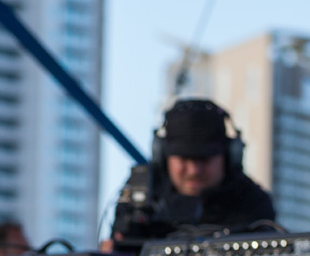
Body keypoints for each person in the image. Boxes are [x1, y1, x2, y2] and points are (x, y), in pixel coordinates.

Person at [108, 98, 275, 248]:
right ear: (163, 156)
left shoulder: (253, 201)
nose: (194, 170)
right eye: (184, 159)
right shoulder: (139, 198)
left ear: (229, 156)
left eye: (205, 159)